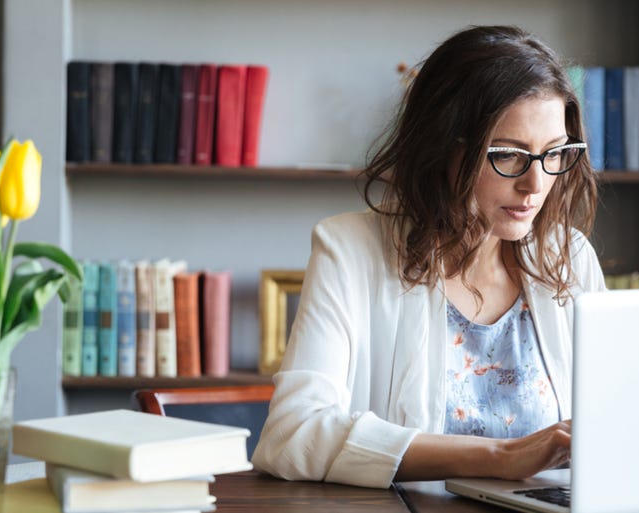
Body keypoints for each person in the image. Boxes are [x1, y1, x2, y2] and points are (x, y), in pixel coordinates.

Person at [252, 25, 604, 489]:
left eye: (554, 154)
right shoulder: (350, 251)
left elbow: (614, 422)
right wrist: (500, 456)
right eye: (508, 155)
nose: (535, 185)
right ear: (444, 148)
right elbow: (292, 435)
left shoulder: (569, 256)